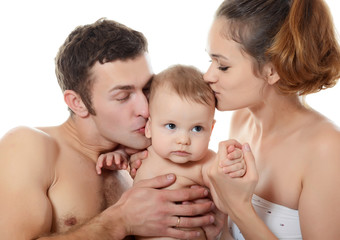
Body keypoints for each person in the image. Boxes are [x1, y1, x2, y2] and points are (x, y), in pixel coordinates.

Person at [0, 19, 222, 240]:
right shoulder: (29, 146)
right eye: (123, 96)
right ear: (78, 103)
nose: (145, 109)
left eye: (147, 90)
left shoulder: (145, 158)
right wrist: (120, 221)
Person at [203, 0, 340, 239]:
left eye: (222, 66)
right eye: (210, 61)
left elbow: (238, 211)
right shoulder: (240, 120)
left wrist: (238, 207)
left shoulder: (326, 148)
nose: (207, 76)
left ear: (272, 70)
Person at [96, 64, 247, 239]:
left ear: (211, 130)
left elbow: (226, 195)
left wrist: (231, 167)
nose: (183, 140)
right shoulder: (142, 153)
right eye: (171, 126)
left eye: (197, 128)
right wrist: (116, 157)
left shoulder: (205, 163)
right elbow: (125, 165)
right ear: (149, 127)